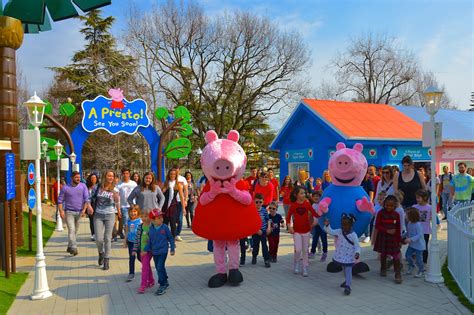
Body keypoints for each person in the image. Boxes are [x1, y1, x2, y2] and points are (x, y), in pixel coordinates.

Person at [324, 214, 360, 296]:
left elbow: (357, 246)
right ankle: (347, 281)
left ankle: (348, 285)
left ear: (351, 225)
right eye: (342, 224)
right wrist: (327, 225)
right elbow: (330, 231)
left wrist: (357, 252)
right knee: (344, 269)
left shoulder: (353, 235)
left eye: (346, 224)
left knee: (348, 269)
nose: (344, 226)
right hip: (341, 256)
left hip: (349, 256)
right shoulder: (339, 231)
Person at [286, 186, 317, 277]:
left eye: (304, 193)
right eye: (302, 193)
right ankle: (296, 263)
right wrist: (289, 226)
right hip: (297, 231)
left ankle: (305, 267)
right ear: (296, 195)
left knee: (305, 250)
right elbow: (288, 218)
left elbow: (315, 214)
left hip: (306, 230)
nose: (304, 195)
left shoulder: (307, 204)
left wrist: (322, 215)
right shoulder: (293, 205)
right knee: (298, 249)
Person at [93, 170, 121, 270]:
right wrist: (88, 207)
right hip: (98, 215)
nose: (110, 178)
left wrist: (119, 211)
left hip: (110, 215)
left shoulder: (115, 189)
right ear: (105, 176)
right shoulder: (98, 187)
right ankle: (101, 253)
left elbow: (117, 202)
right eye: (109, 176)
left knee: (107, 238)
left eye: (112, 176)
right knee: (99, 239)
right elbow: (90, 198)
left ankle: (106, 259)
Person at [144, 209, 175, 296]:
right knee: (159, 268)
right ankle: (165, 280)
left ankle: (162, 285)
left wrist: (172, 248)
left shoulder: (164, 227)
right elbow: (149, 241)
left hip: (163, 251)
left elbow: (170, 238)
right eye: (158, 218)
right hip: (155, 252)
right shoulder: (150, 229)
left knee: (160, 266)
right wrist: (145, 250)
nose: (161, 219)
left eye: (161, 217)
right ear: (152, 220)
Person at [58, 171, 90, 256]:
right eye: (76, 177)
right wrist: (61, 211)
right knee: (71, 230)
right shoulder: (65, 188)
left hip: (79, 212)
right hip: (69, 212)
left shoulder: (83, 186)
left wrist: (84, 210)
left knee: (75, 231)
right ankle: (74, 247)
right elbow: (60, 201)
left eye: (79, 177)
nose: (78, 179)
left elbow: (86, 199)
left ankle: (69, 246)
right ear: (72, 178)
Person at [374, 195, 403, 284]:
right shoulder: (380, 213)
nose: (389, 207)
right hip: (383, 236)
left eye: (391, 206)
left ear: (395, 206)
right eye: (387, 205)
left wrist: (399, 240)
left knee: (396, 255)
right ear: (384, 204)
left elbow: (398, 227)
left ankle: (397, 273)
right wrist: (387, 230)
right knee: (383, 253)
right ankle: (383, 268)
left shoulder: (396, 214)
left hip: (393, 238)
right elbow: (377, 225)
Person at [132, 208, 155, 294]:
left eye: (146, 216)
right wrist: (134, 249)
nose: (144, 218)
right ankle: (151, 280)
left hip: (150, 251)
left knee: (144, 267)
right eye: (142, 216)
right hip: (142, 250)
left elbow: (154, 238)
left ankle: (143, 285)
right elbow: (137, 239)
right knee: (146, 266)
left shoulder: (152, 227)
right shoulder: (140, 227)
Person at [161, 168, 185, 238]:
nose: (172, 175)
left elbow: (181, 196)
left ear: (176, 175)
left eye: (174, 174)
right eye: (171, 174)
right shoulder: (165, 183)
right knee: (165, 222)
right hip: (165, 206)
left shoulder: (178, 185)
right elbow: (160, 195)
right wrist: (163, 190)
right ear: (169, 175)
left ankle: (173, 238)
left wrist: (183, 208)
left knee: (173, 223)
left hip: (173, 205)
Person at [403, 207, 426, 278]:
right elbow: (409, 232)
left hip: (419, 246)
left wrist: (411, 239)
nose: (405, 216)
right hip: (412, 245)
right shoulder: (409, 223)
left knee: (419, 259)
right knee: (407, 256)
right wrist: (404, 235)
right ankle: (411, 266)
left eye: (406, 215)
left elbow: (419, 235)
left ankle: (421, 270)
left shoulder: (418, 225)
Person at [251, 194, 272, 268]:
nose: (258, 204)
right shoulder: (252, 210)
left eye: (260, 202)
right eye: (257, 202)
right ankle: (254, 256)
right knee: (255, 246)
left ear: (263, 202)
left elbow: (268, 220)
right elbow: (250, 222)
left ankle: (266, 260)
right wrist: (256, 230)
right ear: (254, 202)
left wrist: (268, 228)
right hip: (255, 232)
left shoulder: (264, 210)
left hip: (263, 232)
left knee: (264, 246)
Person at [117, 168, 137, 240]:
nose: (125, 175)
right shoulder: (119, 184)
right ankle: (128, 237)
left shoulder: (133, 183)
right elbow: (117, 198)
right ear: (122, 174)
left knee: (133, 222)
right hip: (124, 206)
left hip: (133, 205)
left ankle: (133, 236)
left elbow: (137, 194)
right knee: (126, 223)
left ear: (129, 174)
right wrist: (118, 209)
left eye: (127, 173)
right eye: (124, 173)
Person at [124, 205, 142, 282]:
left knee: (139, 257)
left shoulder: (140, 221)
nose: (133, 213)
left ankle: (146, 265)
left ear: (138, 212)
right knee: (131, 257)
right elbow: (127, 232)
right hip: (131, 243)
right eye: (131, 212)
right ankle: (131, 273)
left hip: (139, 243)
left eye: (134, 211)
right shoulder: (128, 221)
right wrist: (125, 242)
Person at [413, 189, 431, 264]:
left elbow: (433, 217)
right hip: (415, 231)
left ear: (425, 198)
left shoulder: (429, 208)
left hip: (425, 231)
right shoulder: (414, 207)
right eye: (416, 197)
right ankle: (417, 259)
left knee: (424, 246)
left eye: (418, 197)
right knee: (416, 246)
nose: (417, 199)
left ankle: (424, 262)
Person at [309, 191, 327, 261]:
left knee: (324, 240)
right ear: (312, 197)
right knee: (315, 239)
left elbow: (324, 214)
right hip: (315, 225)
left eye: (318, 196)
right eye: (314, 196)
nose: (316, 197)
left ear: (321, 197)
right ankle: (313, 252)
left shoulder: (322, 205)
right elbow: (312, 215)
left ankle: (324, 253)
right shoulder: (313, 205)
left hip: (322, 226)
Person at [174, 165, 188, 242]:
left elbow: (186, 190)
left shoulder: (182, 179)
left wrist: (185, 199)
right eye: (175, 169)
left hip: (180, 201)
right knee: (173, 218)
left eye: (177, 169)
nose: (176, 170)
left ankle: (177, 234)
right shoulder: (170, 178)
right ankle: (173, 233)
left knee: (179, 219)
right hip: (172, 201)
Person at [360, 172, 375, 243]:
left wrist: (370, 202)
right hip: (358, 203)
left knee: (367, 219)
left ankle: (367, 235)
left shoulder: (368, 181)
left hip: (367, 203)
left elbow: (371, 192)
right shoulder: (358, 180)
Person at [86, 173, 99, 241]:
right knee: (91, 220)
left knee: (97, 220)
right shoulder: (87, 187)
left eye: (95, 178)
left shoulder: (99, 186)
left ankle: (97, 233)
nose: (93, 179)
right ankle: (93, 234)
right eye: (92, 178)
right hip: (89, 205)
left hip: (97, 205)